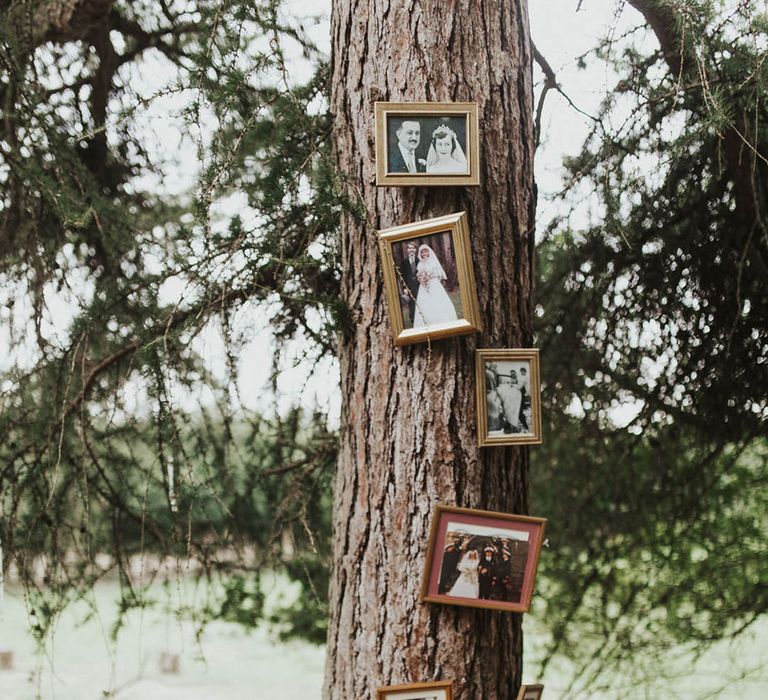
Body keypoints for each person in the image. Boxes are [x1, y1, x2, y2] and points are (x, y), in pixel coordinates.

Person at [412, 244, 458, 327]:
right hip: (423, 286)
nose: (424, 254)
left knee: (437, 300)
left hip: (433, 283)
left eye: (425, 252)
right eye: (422, 252)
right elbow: (418, 275)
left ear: (428, 252)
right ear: (420, 254)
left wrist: (429, 276)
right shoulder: (420, 264)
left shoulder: (433, 262)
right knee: (424, 302)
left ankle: (441, 318)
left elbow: (438, 273)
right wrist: (422, 279)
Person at [398, 241, 421, 326]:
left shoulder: (419, 260)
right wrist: (404, 288)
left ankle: (422, 318)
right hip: (409, 286)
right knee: (411, 304)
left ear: (415, 250)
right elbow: (402, 276)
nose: (411, 250)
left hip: (419, 285)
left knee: (421, 302)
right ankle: (413, 320)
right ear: (407, 250)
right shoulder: (404, 262)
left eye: (413, 248)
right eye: (409, 248)